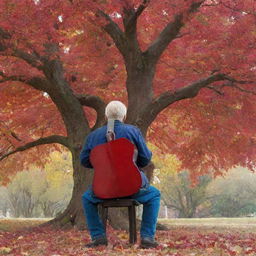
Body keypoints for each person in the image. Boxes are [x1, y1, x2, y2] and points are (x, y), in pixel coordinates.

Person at [80, 100, 161, 249]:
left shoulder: (93, 136)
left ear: (105, 116)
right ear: (123, 116)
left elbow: (84, 161)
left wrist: (101, 164)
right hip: (132, 187)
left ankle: (98, 237)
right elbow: (146, 158)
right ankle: (147, 237)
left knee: (87, 198)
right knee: (154, 194)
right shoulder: (133, 131)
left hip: (103, 189)